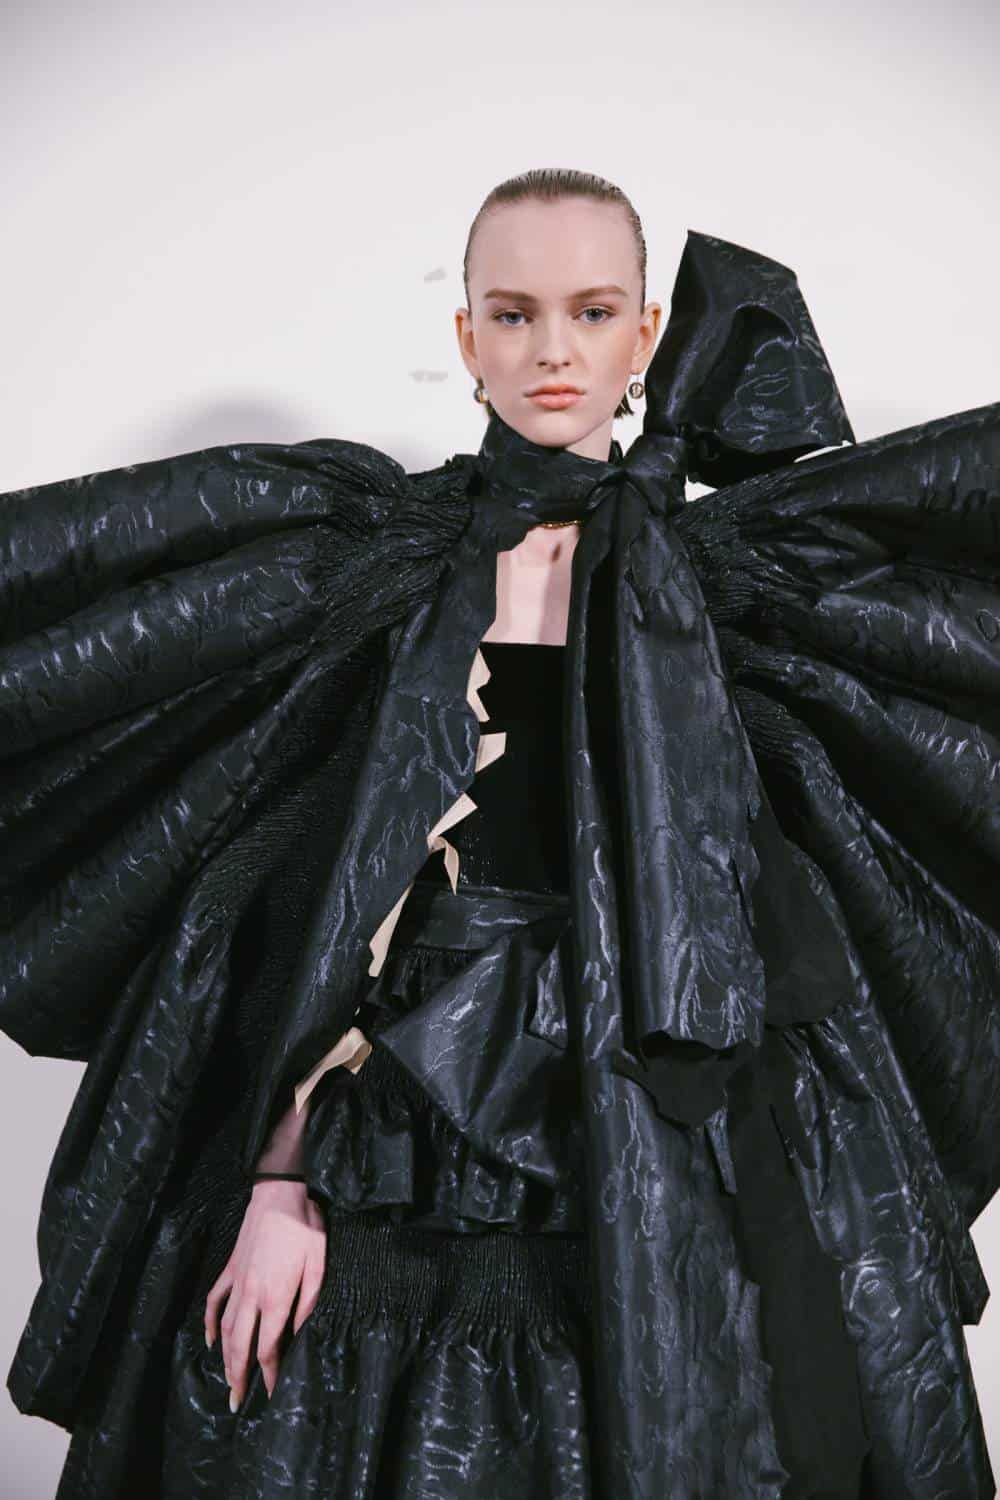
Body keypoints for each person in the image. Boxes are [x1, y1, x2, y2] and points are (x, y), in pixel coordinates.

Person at [2, 167, 998, 1499]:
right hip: (408, 1109)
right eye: (515, 315)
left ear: (646, 334)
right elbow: (313, 891)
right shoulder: (376, 564)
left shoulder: (742, 590)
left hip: (689, 1090)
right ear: (465, 336)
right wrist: (278, 1184)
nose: (552, 352)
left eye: (592, 312)